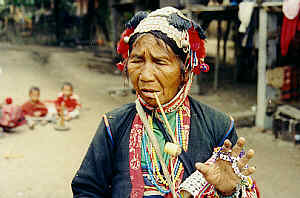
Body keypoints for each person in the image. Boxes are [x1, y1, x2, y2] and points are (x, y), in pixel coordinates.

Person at [71, 7, 259, 198]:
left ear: (185, 70)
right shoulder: (113, 124)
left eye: (159, 62)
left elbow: (241, 186)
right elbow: (87, 189)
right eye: (137, 60)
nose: (144, 76)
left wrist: (228, 190)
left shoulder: (218, 126)